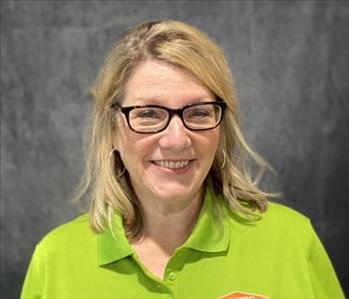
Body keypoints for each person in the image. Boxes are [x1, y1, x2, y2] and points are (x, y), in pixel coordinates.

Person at [21, 20, 345, 299]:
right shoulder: (56, 261)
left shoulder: (291, 241)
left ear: (222, 128)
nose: (177, 140)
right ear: (113, 131)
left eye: (199, 112)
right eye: (148, 113)